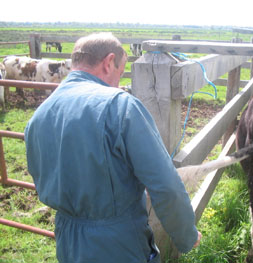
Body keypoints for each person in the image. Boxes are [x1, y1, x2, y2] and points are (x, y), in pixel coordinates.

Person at [25, 32, 201, 263]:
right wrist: (186, 235)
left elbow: (42, 178)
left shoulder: (39, 116)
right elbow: (166, 186)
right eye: (120, 72)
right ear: (109, 62)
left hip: (67, 240)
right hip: (118, 244)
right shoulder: (120, 106)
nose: (118, 83)